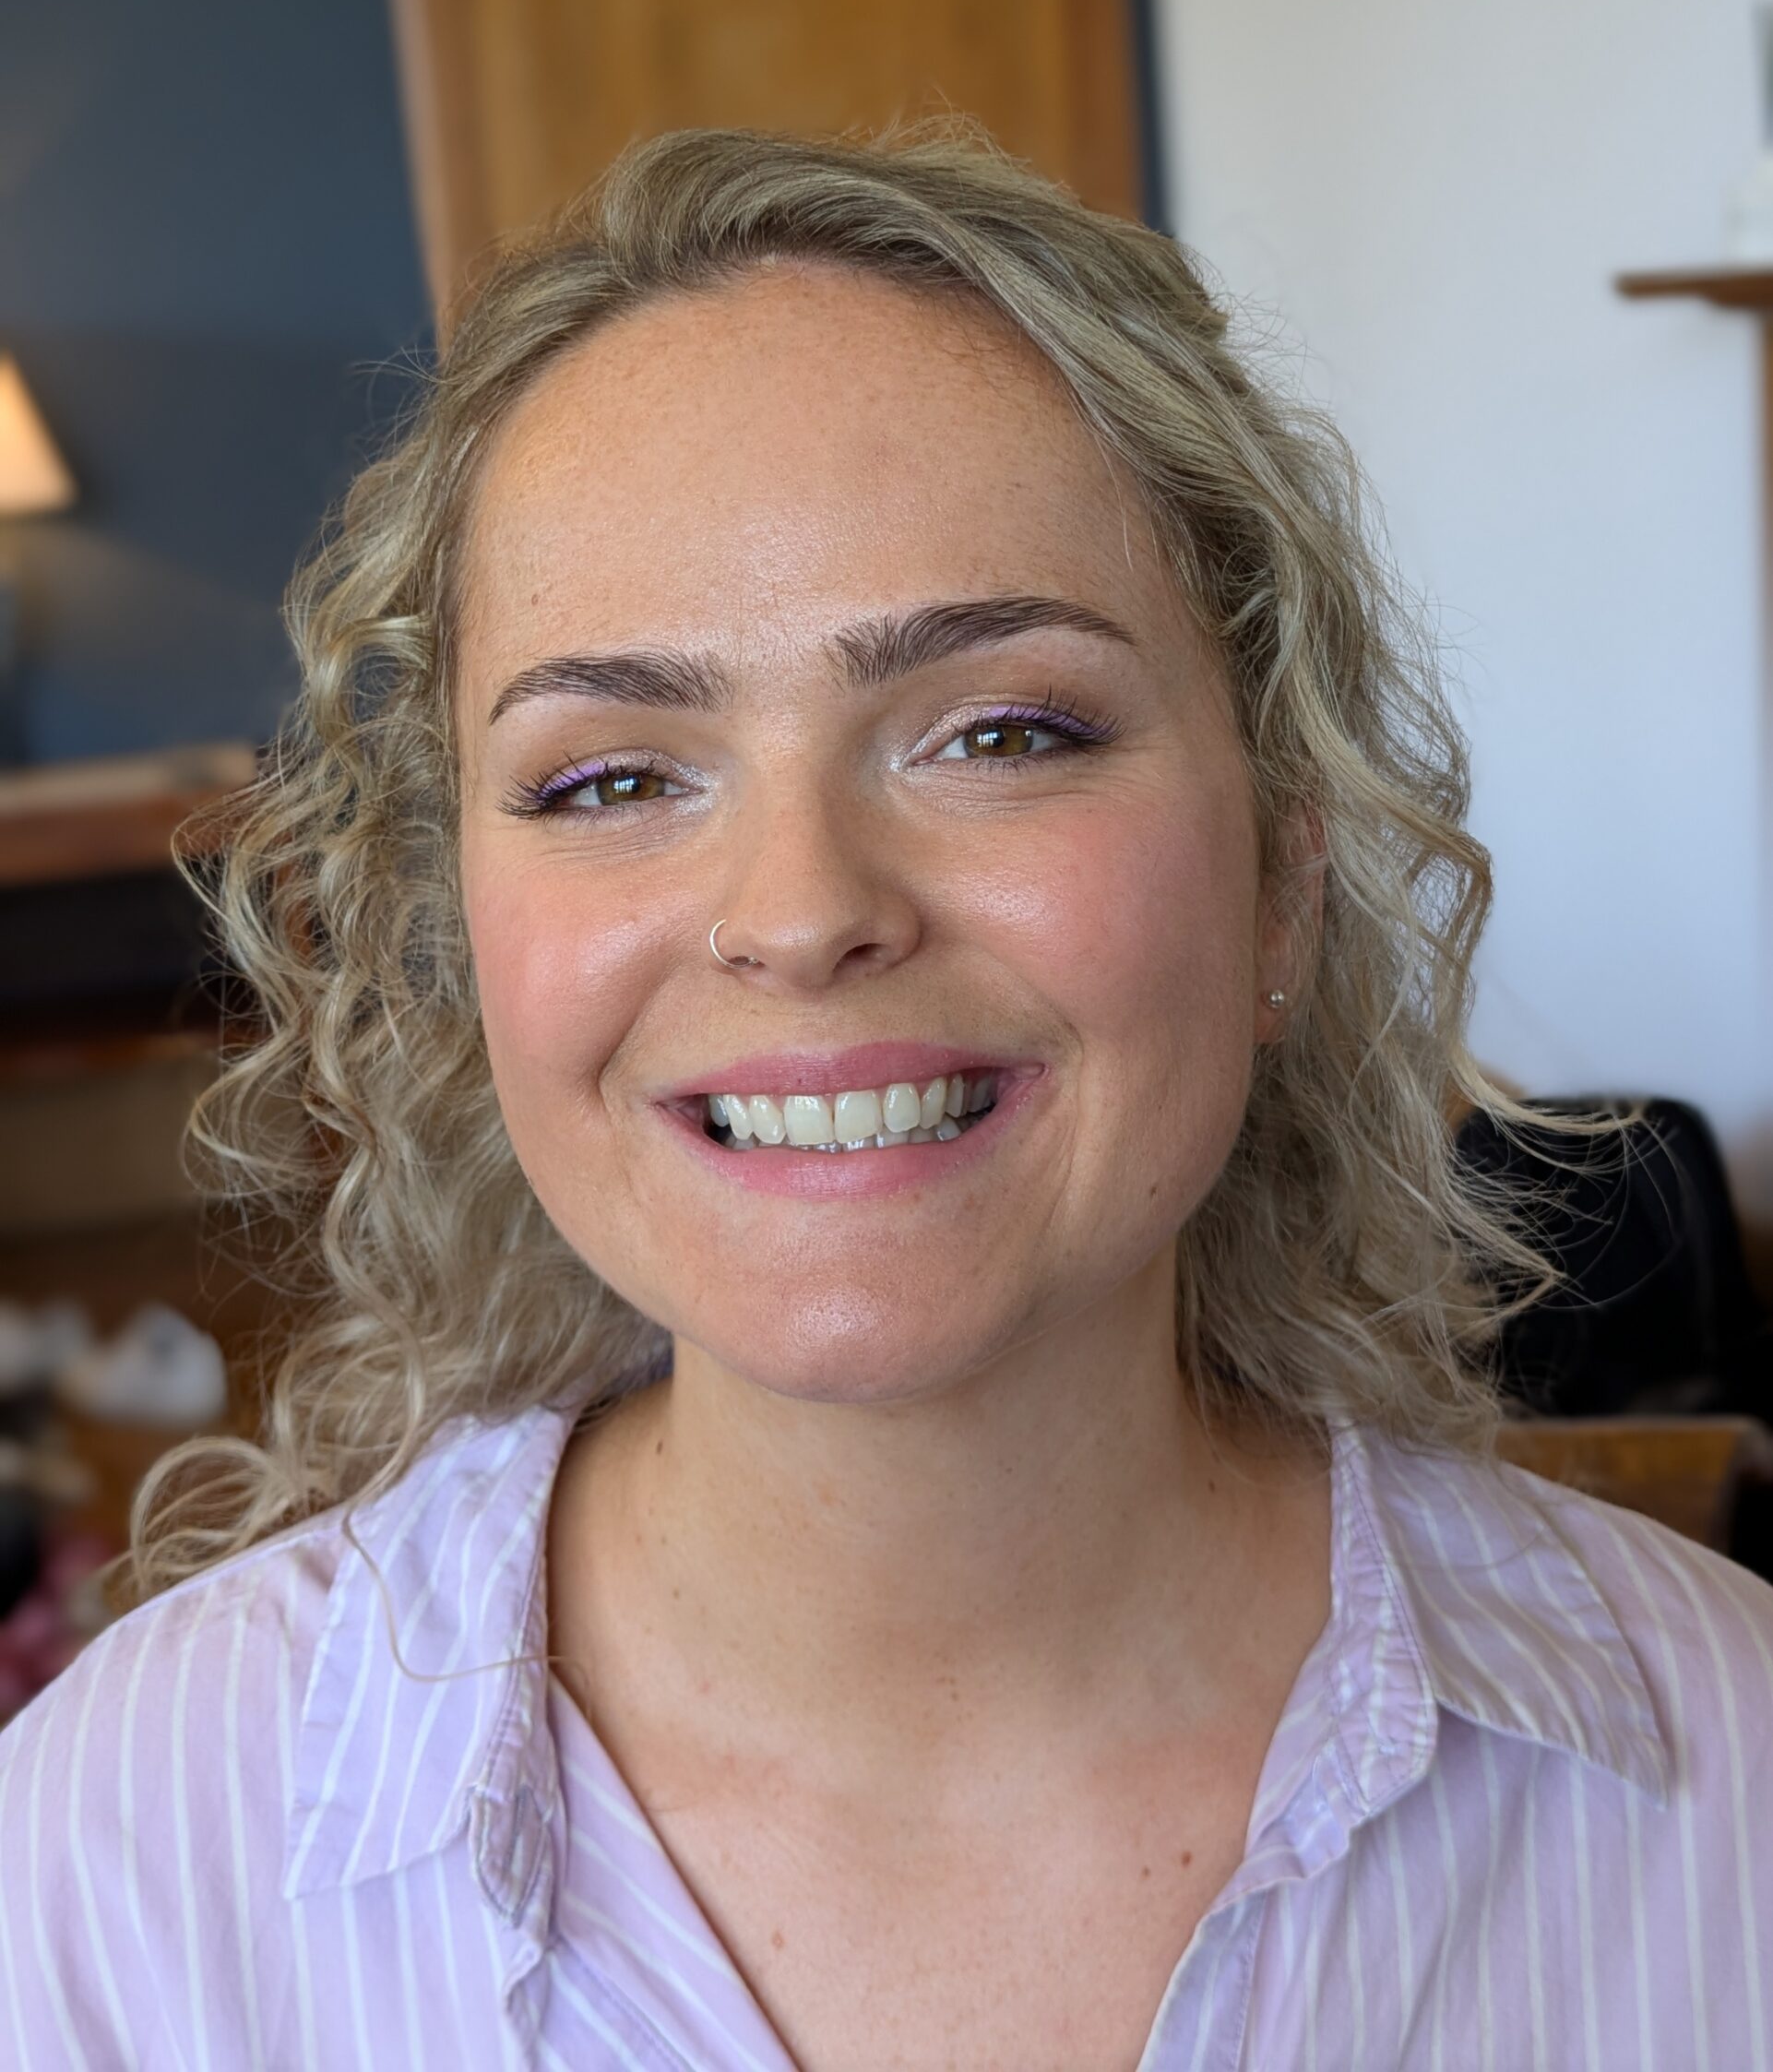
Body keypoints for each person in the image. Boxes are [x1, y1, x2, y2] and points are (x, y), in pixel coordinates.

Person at [2, 124, 1768, 2071]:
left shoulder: (1729, 1787)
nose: (803, 910)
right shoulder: (120, 1859)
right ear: (462, 933)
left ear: (1283, 879)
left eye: (1001, 729)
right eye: (610, 775)